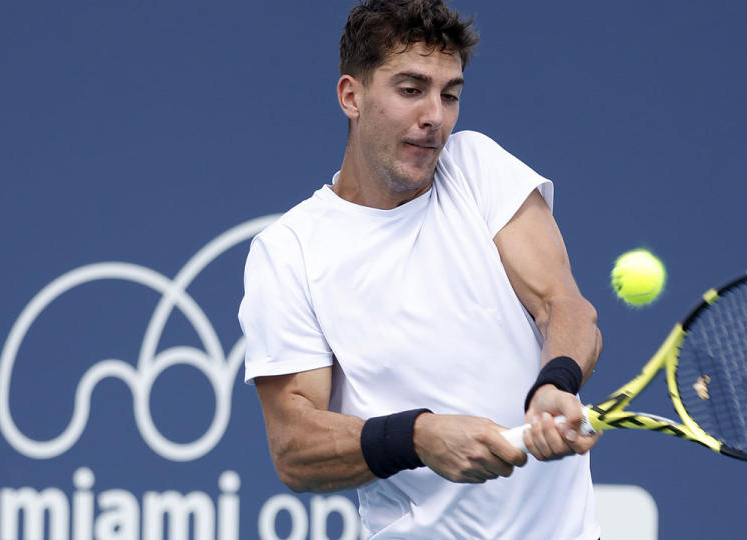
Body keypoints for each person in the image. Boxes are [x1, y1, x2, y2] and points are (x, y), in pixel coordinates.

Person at [238, 1, 603, 537]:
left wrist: (556, 382)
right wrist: (418, 438)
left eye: (449, 94)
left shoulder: (479, 168)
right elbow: (295, 449)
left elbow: (565, 306)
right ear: (351, 96)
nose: (435, 115)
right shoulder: (289, 250)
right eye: (410, 90)